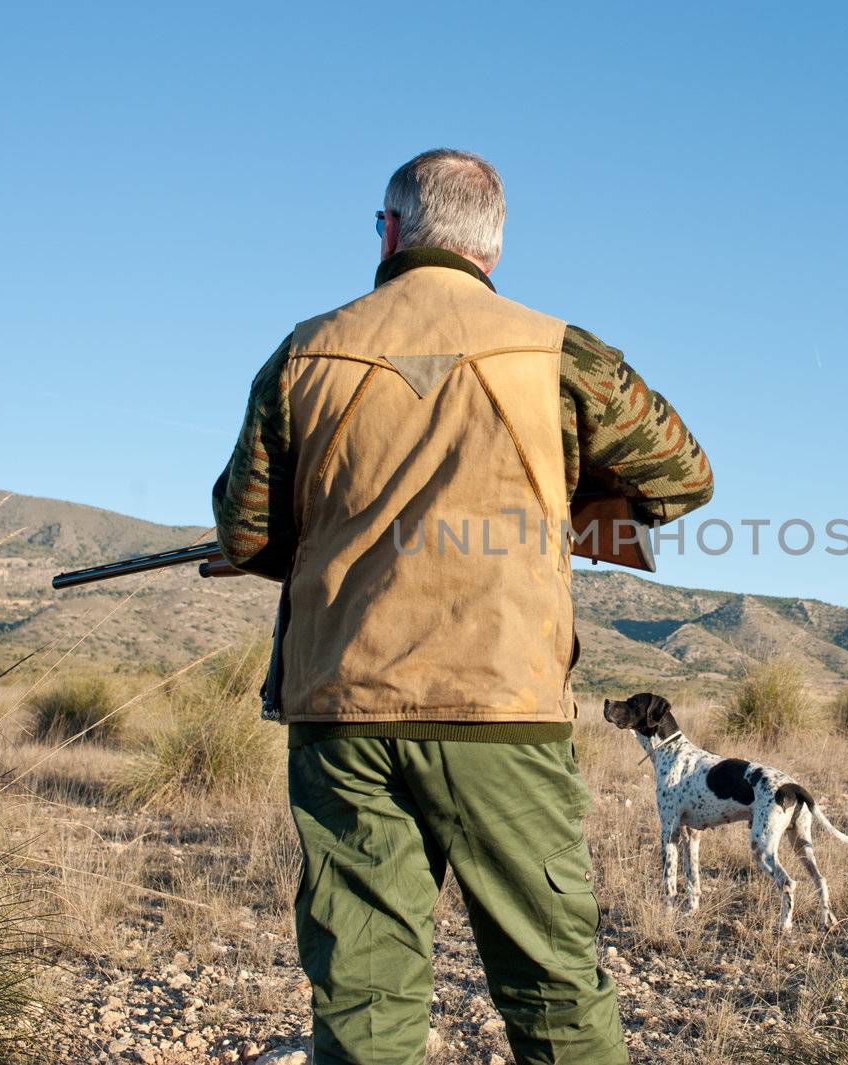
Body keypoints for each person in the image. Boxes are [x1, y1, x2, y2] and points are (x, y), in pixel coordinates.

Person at [212, 148, 713, 1065]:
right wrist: (566, 494)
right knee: (554, 989)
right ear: (493, 246)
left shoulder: (302, 352)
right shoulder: (560, 351)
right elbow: (683, 476)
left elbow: (245, 532)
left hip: (344, 715)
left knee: (364, 1001)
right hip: (503, 713)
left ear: (393, 231)